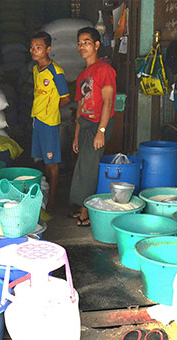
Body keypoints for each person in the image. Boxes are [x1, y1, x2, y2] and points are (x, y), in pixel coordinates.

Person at [68, 27, 116, 227]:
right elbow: (80, 107)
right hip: (86, 125)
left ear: (96, 45)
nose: (81, 47)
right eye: (79, 43)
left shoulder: (104, 70)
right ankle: (82, 206)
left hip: (99, 124)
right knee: (82, 167)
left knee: (88, 169)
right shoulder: (83, 75)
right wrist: (76, 136)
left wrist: (101, 131)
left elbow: (108, 101)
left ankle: (86, 213)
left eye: (86, 42)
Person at [30, 31, 70, 214]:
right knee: (44, 161)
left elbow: (65, 98)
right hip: (37, 120)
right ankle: (45, 198)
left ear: (48, 49)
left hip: (50, 122)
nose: (34, 51)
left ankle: (53, 201)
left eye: (38, 47)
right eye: (32, 47)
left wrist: (51, 109)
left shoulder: (56, 71)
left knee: (52, 163)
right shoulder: (36, 69)